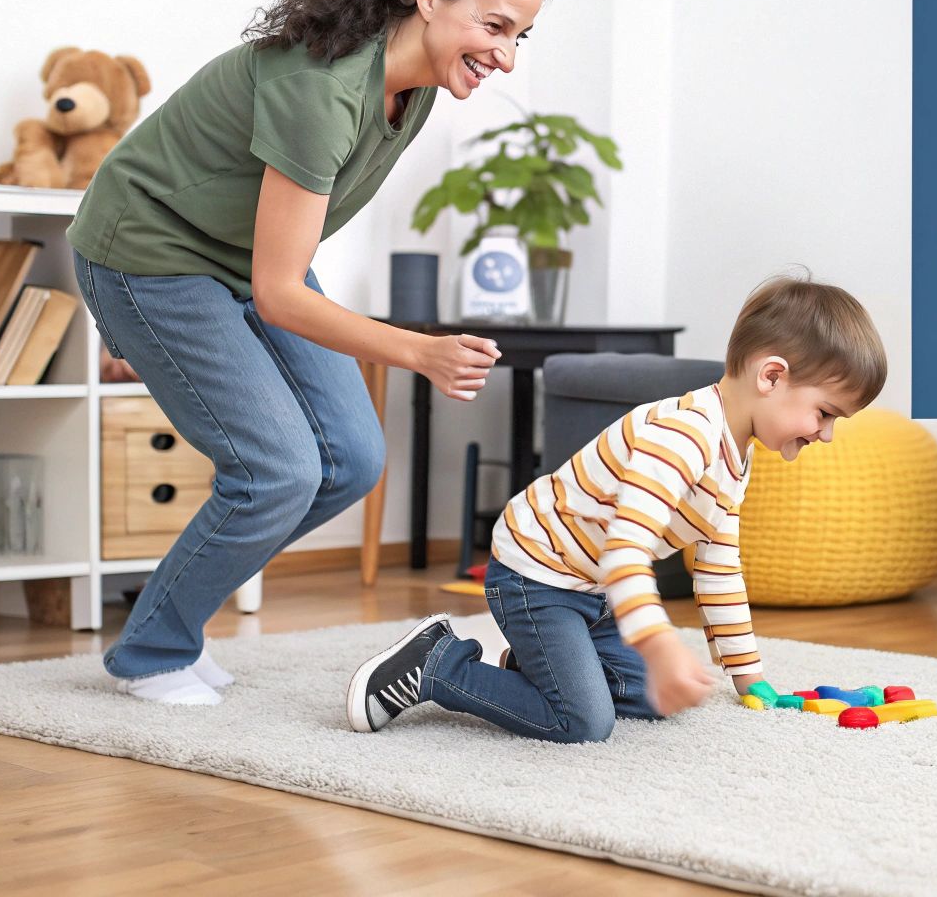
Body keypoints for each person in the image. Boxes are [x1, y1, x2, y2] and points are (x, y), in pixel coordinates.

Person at [67, 0, 555, 705]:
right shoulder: (321, 89)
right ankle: (154, 649)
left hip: (239, 256)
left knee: (352, 461)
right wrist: (417, 350)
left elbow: (278, 269)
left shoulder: (416, 87)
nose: (503, 56)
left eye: (518, 38)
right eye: (494, 26)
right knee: (275, 469)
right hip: (148, 253)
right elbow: (282, 291)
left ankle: (172, 617)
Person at [346, 274, 888, 741]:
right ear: (771, 377)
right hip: (539, 574)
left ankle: (534, 665)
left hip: (594, 590)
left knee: (657, 699)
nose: (828, 434)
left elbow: (719, 568)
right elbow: (625, 552)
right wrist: (659, 646)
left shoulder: (735, 457)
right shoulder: (683, 435)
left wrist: (749, 678)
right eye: (824, 413)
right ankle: (437, 666)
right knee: (582, 722)